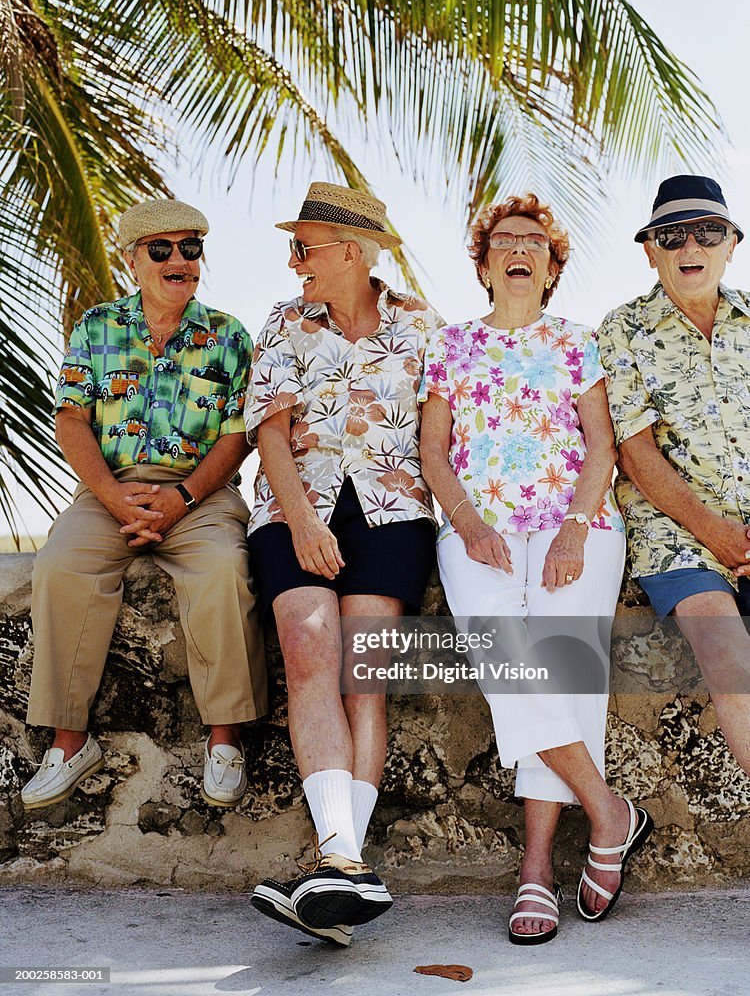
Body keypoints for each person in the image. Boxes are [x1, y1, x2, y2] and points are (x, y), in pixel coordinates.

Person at [419, 194, 652, 944]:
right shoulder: (449, 345)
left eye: (534, 242)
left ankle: (536, 868)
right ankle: (609, 813)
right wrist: (468, 523)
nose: (518, 249)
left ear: (552, 268)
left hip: (574, 525)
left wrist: (575, 530)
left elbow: (603, 445)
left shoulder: (579, 343)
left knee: (564, 668)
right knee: (507, 659)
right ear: (483, 262)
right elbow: (432, 451)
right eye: (503, 240)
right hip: (476, 525)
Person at [244, 182, 442, 948]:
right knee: (307, 646)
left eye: (305, 247)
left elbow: (437, 434)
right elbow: (269, 431)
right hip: (300, 505)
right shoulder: (286, 320)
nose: (294, 262)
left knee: (367, 678)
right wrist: (301, 522)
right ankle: (342, 861)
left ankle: (341, 869)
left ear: (352, 251)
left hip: (393, 514)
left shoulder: (421, 323)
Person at [22, 198, 267, 813]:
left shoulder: (230, 334)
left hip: (200, 492)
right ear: (133, 260)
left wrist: (180, 498)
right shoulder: (96, 326)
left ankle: (225, 739)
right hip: (110, 486)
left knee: (220, 570)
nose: (179, 261)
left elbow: (240, 432)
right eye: (162, 250)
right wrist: (111, 495)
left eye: (190, 249)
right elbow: (71, 418)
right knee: (59, 566)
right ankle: (69, 742)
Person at [598, 174, 750, 777]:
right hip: (678, 531)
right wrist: (718, 534)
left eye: (708, 233)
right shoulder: (622, 329)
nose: (691, 247)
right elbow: (635, 455)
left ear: (732, 244)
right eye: (673, 235)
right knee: (724, 653)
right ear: (650, 249)